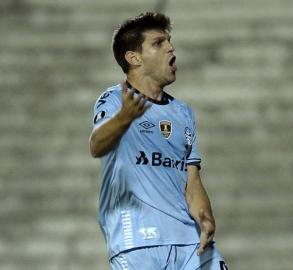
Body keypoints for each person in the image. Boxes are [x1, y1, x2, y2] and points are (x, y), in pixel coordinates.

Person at [89, 12, 229, 270]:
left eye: (169, 41)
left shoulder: (183, 112)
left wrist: (205, 216)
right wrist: (124, 118)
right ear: (134, 58)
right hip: (137, 243)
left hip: (189, 242)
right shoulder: (114, 100)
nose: (171, 47)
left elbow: (192, 180)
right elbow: (97, 145)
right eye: (158, 43)